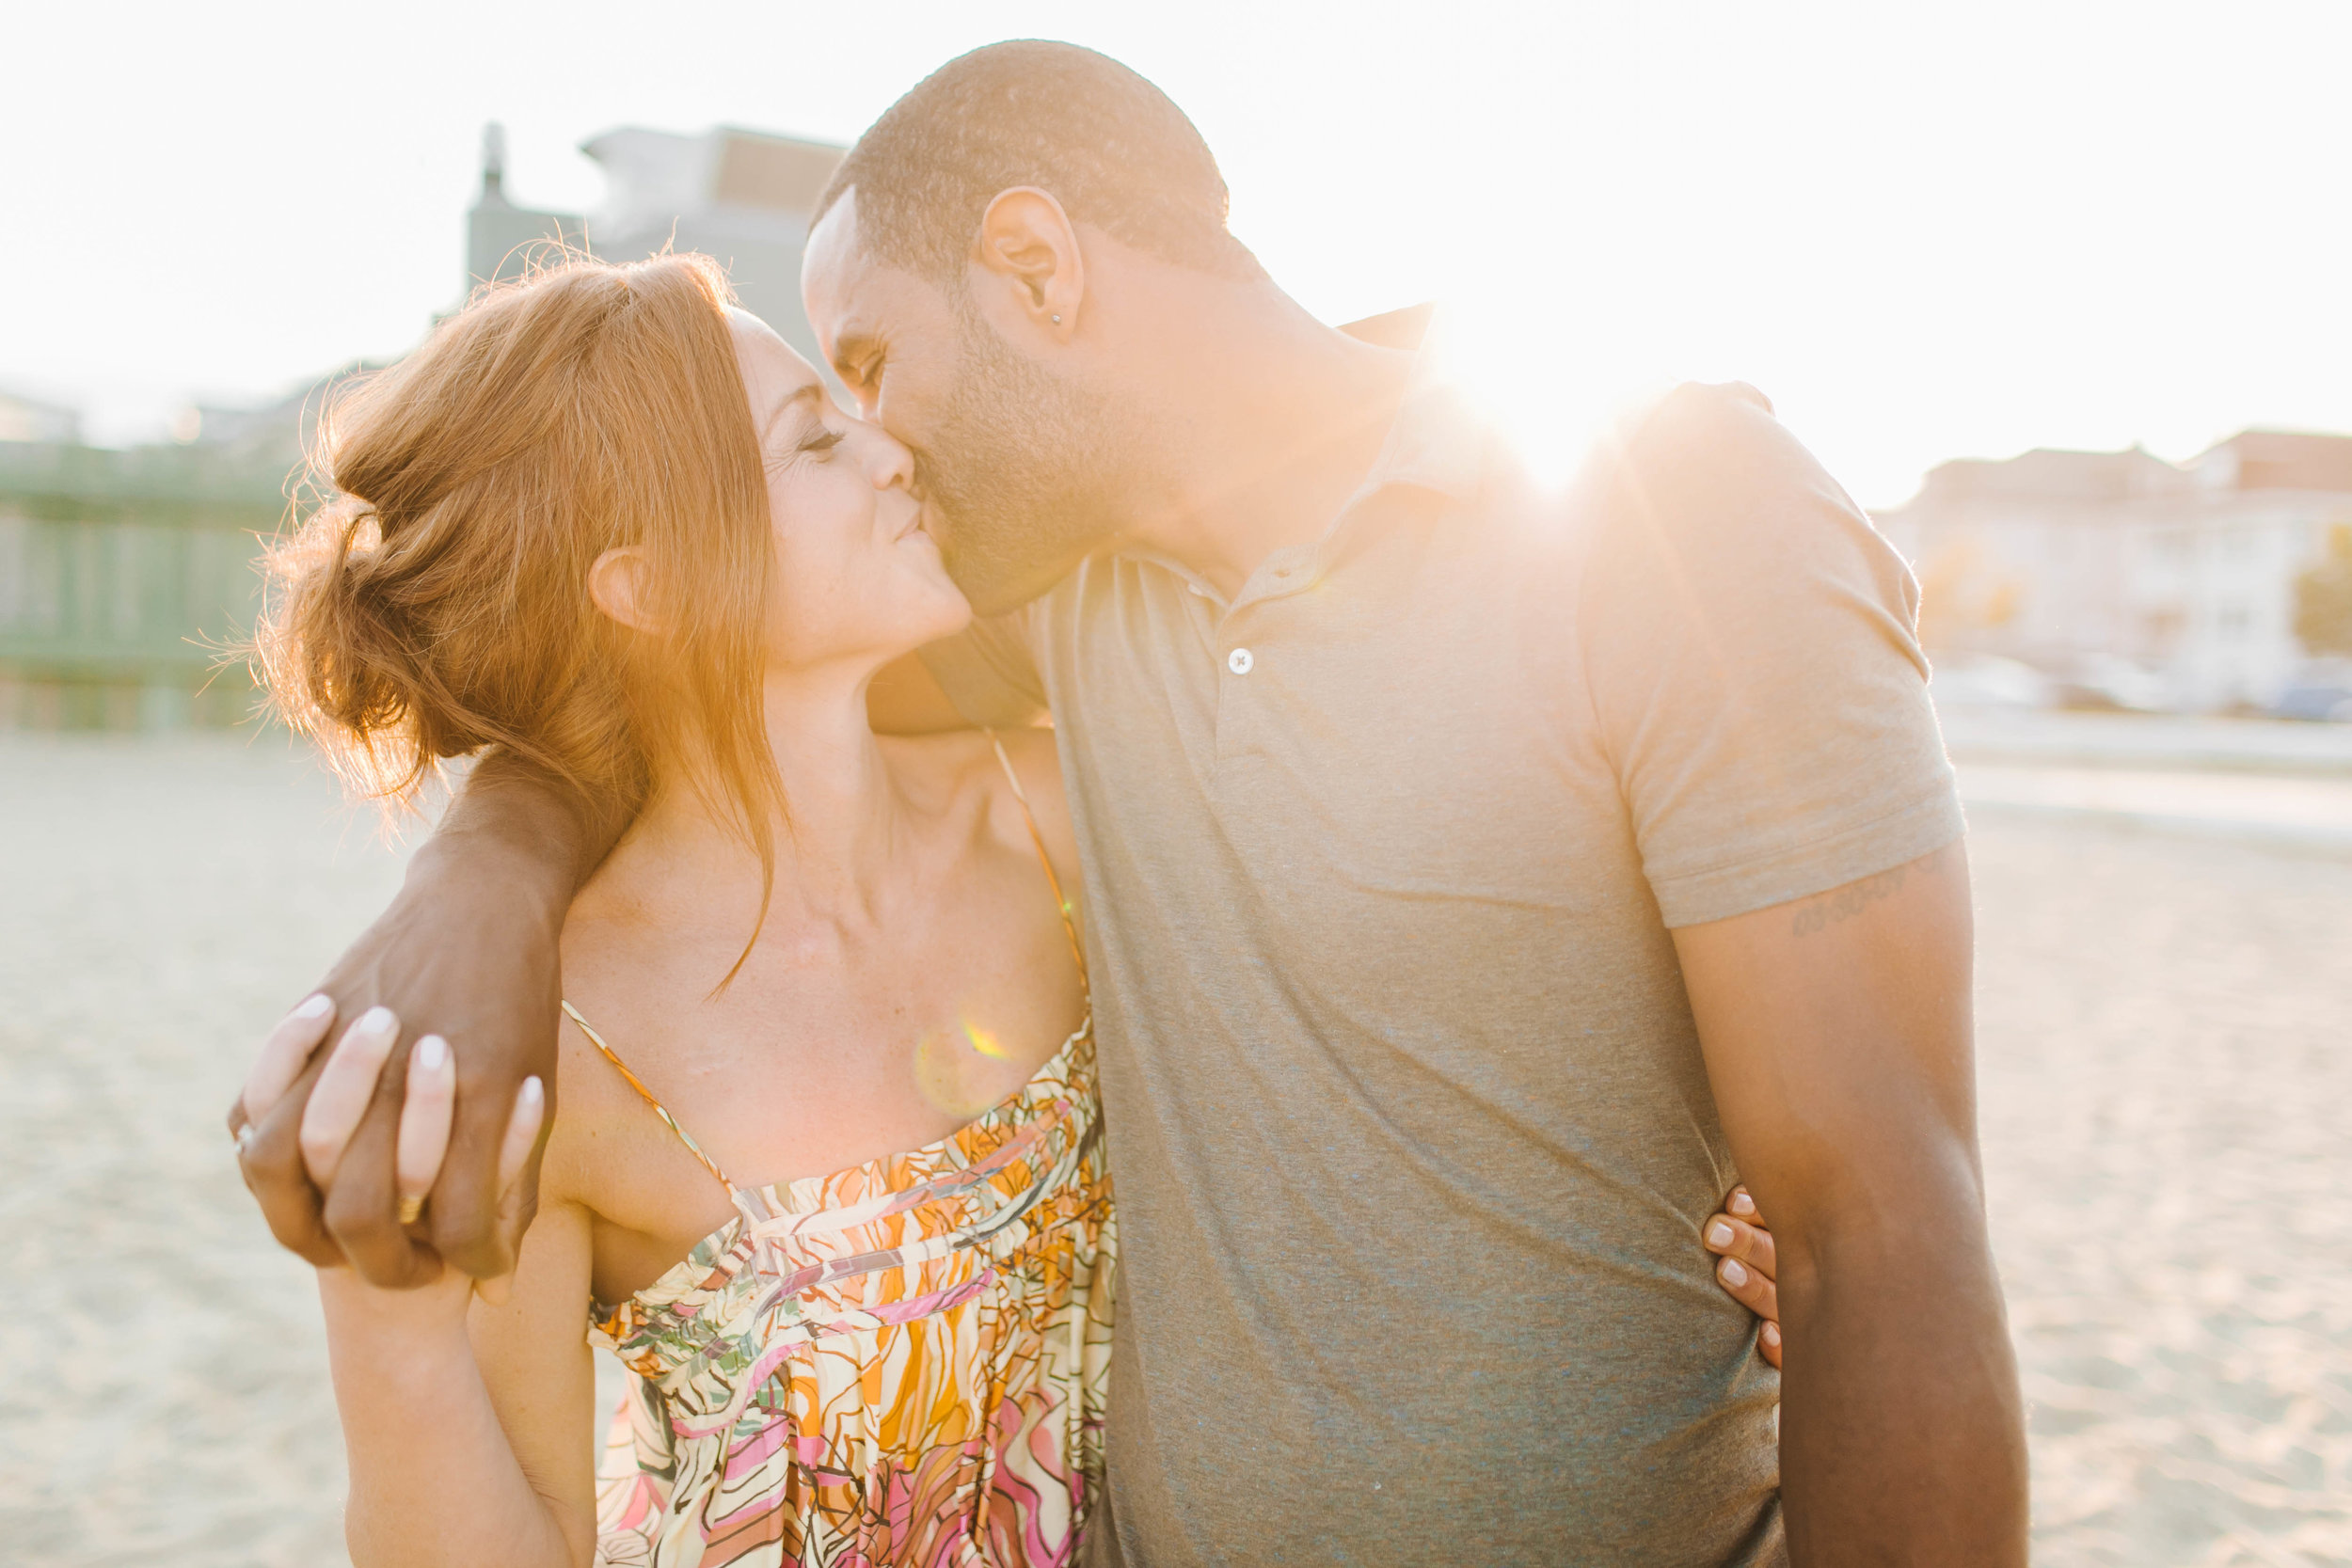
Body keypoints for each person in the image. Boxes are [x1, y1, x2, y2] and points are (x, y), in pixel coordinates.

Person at [236, 40, 2027, 1567]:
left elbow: (1881, 1224)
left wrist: (1810, 1249)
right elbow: (655, 697)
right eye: (824, 417)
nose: (886, 448)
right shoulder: (1057, 608)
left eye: (867, 367)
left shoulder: (1660, 507)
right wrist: (475, 881)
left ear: (1037, 267)